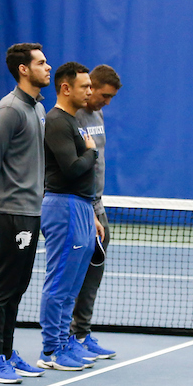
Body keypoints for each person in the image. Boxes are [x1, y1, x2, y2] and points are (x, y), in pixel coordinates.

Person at [0, 43, 50, 384]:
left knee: (18, 285)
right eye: (40, 62)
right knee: (4, 285)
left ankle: (7, 350)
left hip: (31, 211)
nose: (47, 67)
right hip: (10, 211)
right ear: (24, 69)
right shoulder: (9, 110)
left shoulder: (37, 108)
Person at [37, 62, 100, 371]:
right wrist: (92, 152)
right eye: (85, 86)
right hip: (63, 207)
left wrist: (93, 214)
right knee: (60, 281)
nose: (90, 91)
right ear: (66, 88)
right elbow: (73, 167)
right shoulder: (57, 122)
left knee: (72, 285)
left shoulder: (74, 121)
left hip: (82, 208)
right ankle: (51, 350)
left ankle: (64, 342)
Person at [69, 64, 120, 361]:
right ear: (90, 86)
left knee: (93, 274)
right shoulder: (71, 117)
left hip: (97, 203)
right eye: (104, 95)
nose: (106, 102)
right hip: (78, 205)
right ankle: (64, 338)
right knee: (72, 275)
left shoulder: (97, 115)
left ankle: (82, 333)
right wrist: (86, 207)